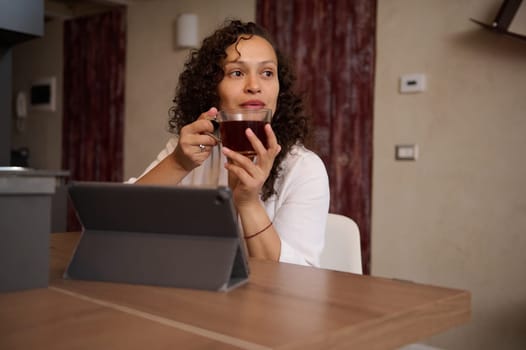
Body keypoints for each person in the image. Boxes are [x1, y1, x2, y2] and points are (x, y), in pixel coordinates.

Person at [130, 20, 329, 267]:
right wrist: (178, 163)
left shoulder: (304, 168)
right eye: (237, 73)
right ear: (212, 89)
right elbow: (118, 221)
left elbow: (298, 279)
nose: (255, 86)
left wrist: (248, 202)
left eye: (267, 73)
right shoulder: (188, 150)